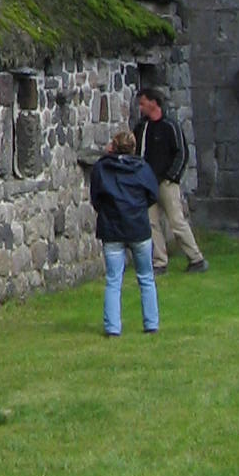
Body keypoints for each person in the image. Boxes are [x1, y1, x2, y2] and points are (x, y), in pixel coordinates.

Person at [88, 129, 161, 337]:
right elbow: (152, 194)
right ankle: (151, 323)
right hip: (138, 227)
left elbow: (96, 197)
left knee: (113, 279)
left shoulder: (102, 168)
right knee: (146, 277)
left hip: (112, 228)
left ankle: (112, 327)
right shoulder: (142, 168)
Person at [136, 87, 208, 273]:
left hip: (166, 182)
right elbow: (137, 153)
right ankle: (159, 262)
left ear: (153, 102)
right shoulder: (142, 128)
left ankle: (196, 258)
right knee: (151, 224)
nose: (140, 107)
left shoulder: (170, 126)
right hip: (147, 182)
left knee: (177, 221)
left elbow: (181, 153)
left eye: (143, 103)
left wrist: (171, 177)